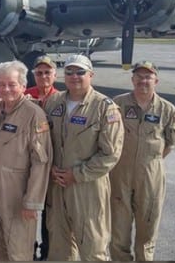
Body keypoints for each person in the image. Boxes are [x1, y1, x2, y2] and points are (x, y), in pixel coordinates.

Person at [0, 60, 53, 261]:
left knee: (19, 250)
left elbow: (41, 161)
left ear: (23, 86)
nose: (6, 89)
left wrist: (33, 201)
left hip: (17, 194)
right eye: (1, 84)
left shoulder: (34, 114)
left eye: (12, 84)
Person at [43, 54, 124, 261]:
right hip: (57, 185)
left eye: (80, 72)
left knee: (92, 247)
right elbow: (44, 142)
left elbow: (110, 154)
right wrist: (51, 167)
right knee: (58, 247)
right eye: (69, 72)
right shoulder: (53, 102)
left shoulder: (105, 107)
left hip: (87, 188)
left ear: (91, 75)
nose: (74, 76)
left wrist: (77, 175)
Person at [110, 61, 175, 261]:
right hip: (119, 173)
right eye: (139, 76)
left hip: (151, 174)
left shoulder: (167, 109)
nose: (143, 80)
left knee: (148, 226)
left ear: (156, 81)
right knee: (117, 227)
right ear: (132, 79)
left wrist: (148, 161)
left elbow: (170, 143)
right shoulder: (118, 104)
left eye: (148, 77)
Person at [24, 55, 58, 260]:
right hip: (29, 163)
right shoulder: (26, 95)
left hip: (52, 163)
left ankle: (47, 249)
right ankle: (29, 247)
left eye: (47, 72)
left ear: (54, 74)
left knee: (50, 213)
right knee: (27, 209)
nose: (43, 76)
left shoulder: (61, 98)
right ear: (33, 75)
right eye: (39, 72)